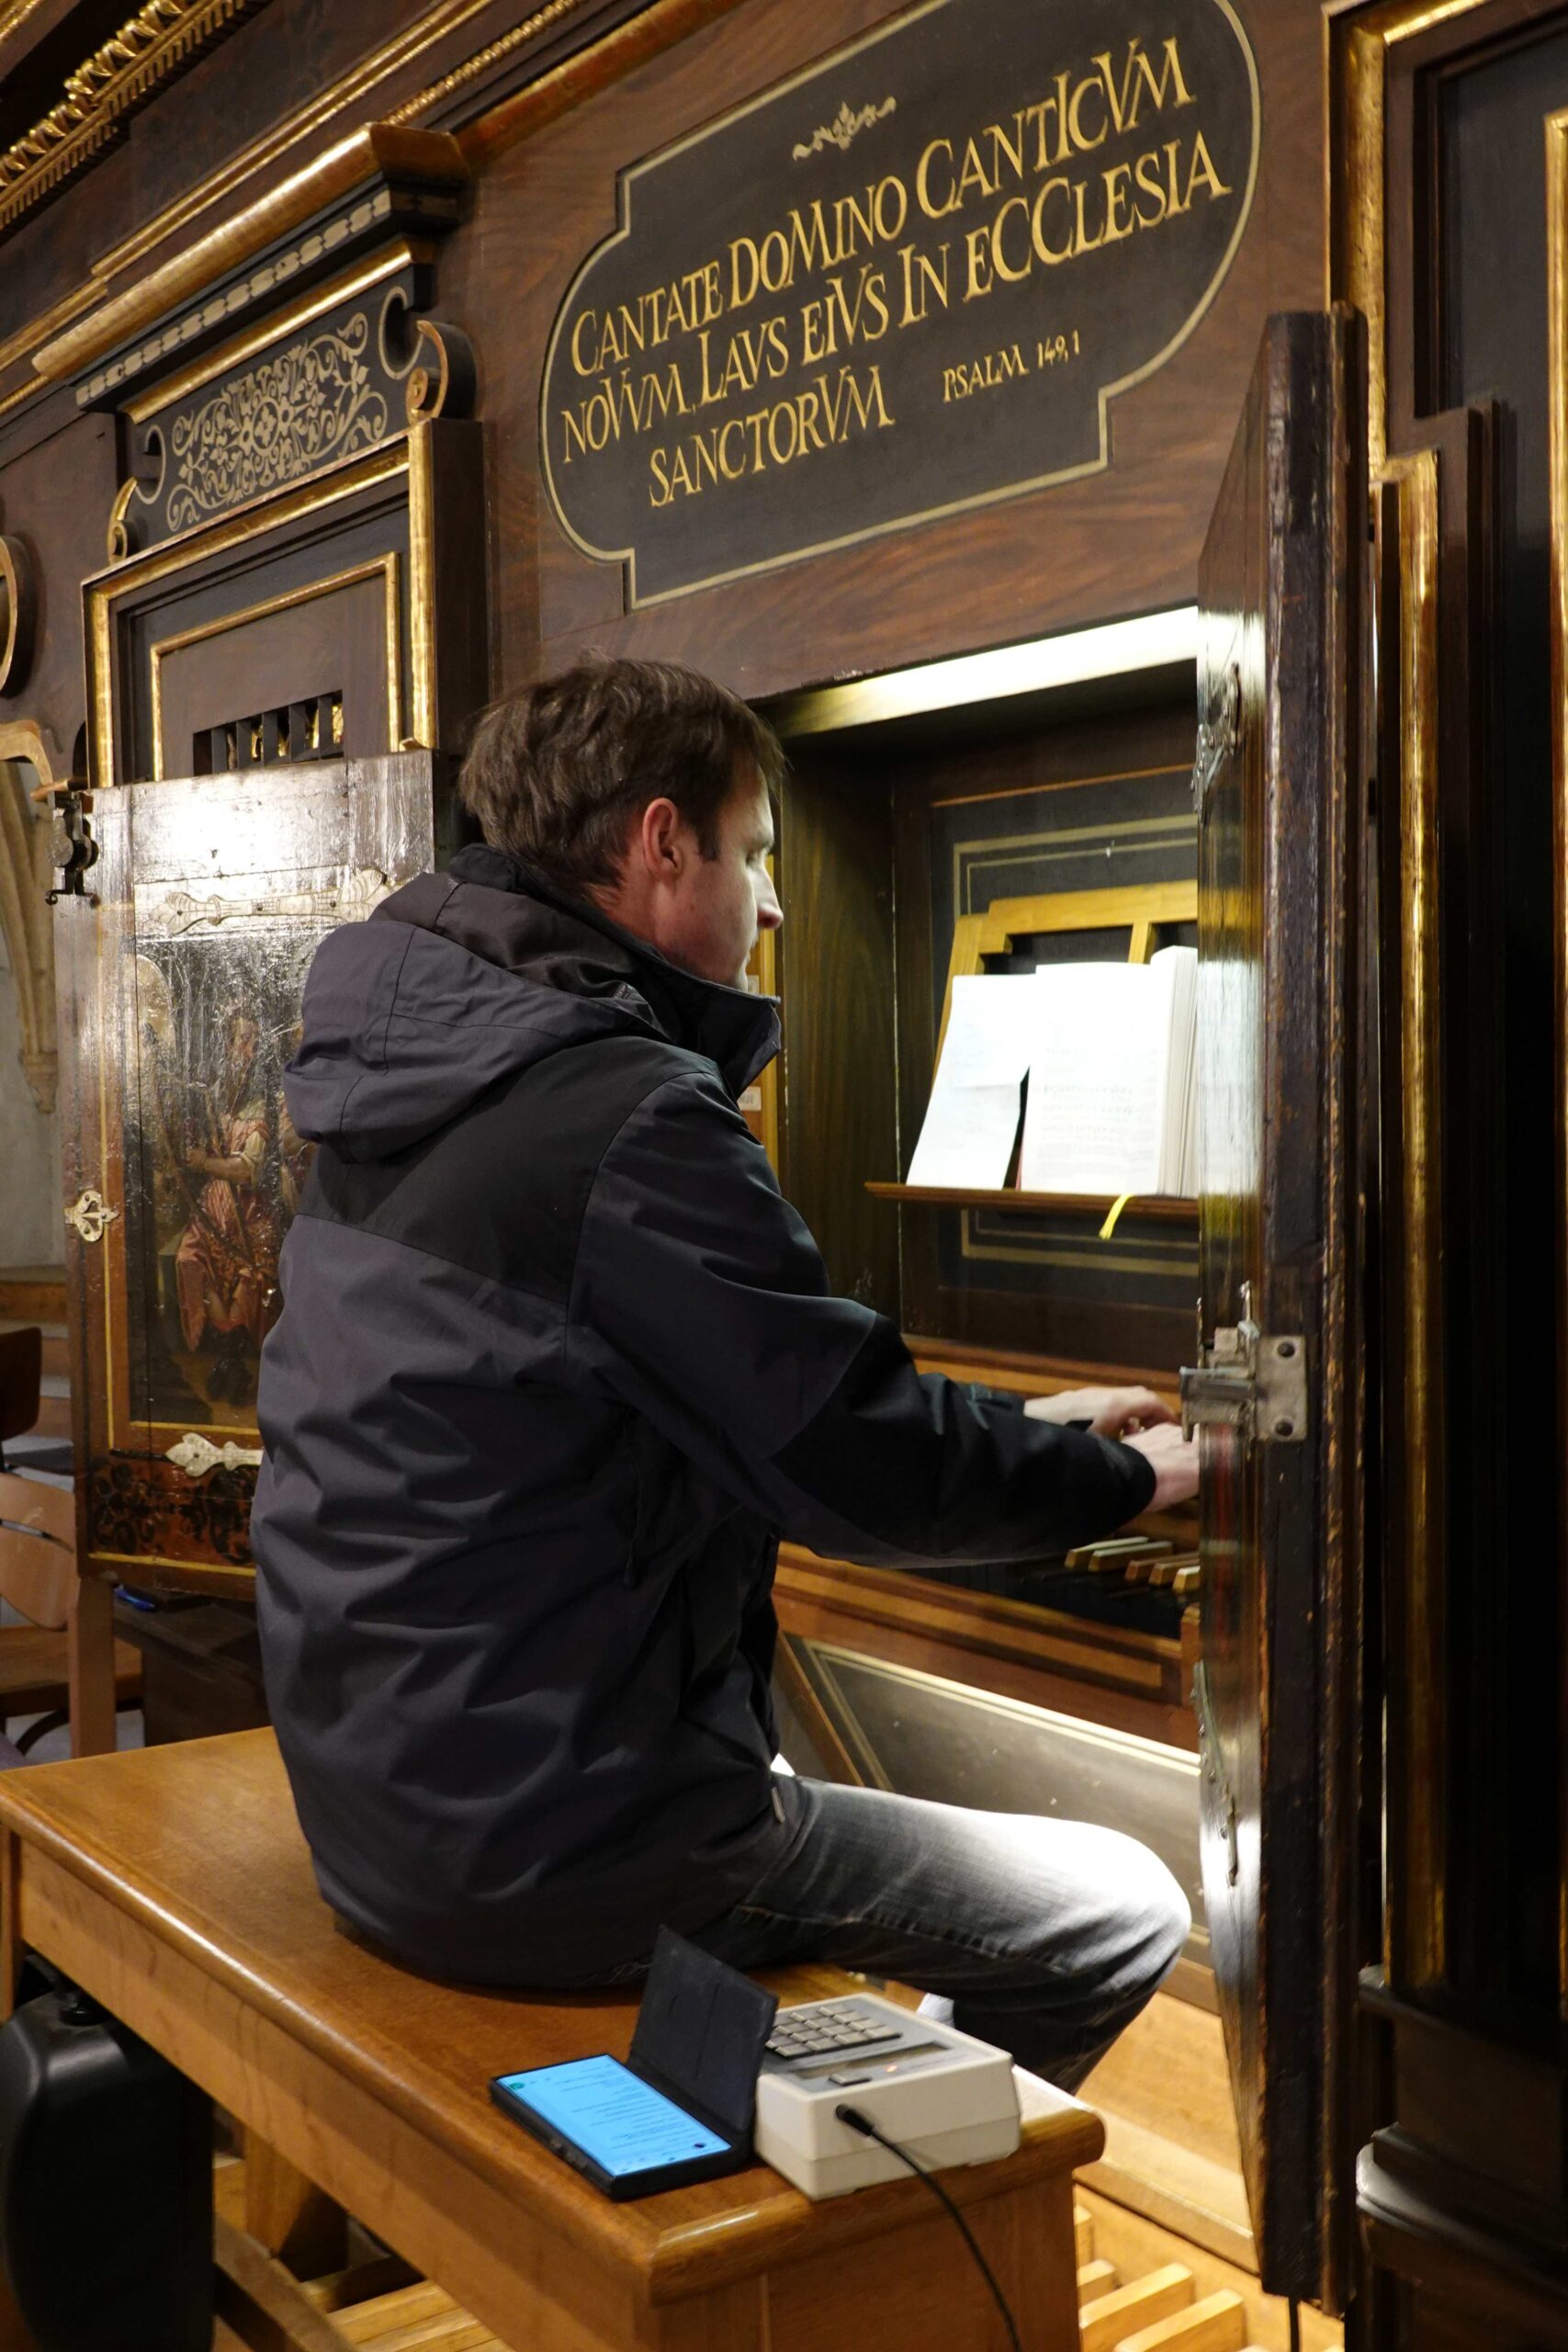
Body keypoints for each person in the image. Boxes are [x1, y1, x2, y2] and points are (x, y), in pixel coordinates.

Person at [251, 657, 1198, 2091]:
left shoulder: (429, 1059)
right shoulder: (617, 1107)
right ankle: (907, 2189)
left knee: (791, 1762)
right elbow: (857, 1460)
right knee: (1121, 1909)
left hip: (393, 1790)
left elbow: (673, 1395)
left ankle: (847, 2114)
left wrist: (1017, 1420)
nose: (771, 905)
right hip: (548, 1845)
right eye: (753, 854)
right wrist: (1125, 1477)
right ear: (660, 843)